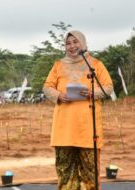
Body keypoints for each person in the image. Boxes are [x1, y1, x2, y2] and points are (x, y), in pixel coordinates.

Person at [43, 30, 113, 190]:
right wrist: (59, 95)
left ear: (83, 42)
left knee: (90, 175)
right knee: (65, 172)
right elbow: (47, 87)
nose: (72, 46)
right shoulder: (58, 65)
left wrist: (91, 93)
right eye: (68, 43)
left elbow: (108, 88)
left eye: (75, 42)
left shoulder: (95, 65)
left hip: (88, 129)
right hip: (64, 130)